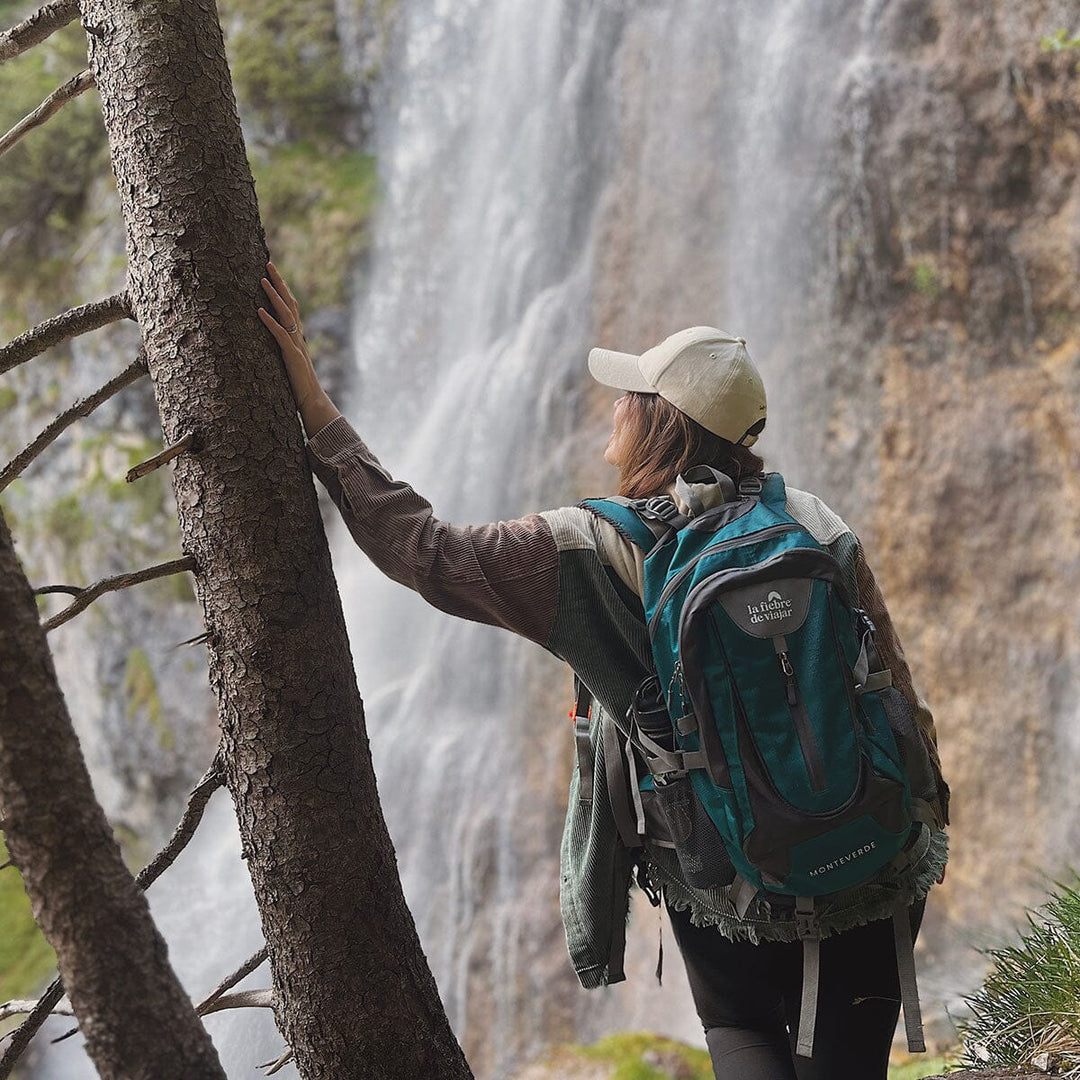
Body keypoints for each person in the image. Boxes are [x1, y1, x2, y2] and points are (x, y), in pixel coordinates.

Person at [257, 261, 950, 1080]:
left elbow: (426, 554)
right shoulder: (813, 524)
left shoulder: (583, 547)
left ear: (664, 424)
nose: (615, 406)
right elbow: (893, 689)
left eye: (632, 395)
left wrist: (314, 406)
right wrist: (926, 819)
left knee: (745, 1033)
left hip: (722, 868)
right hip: (873, 845)